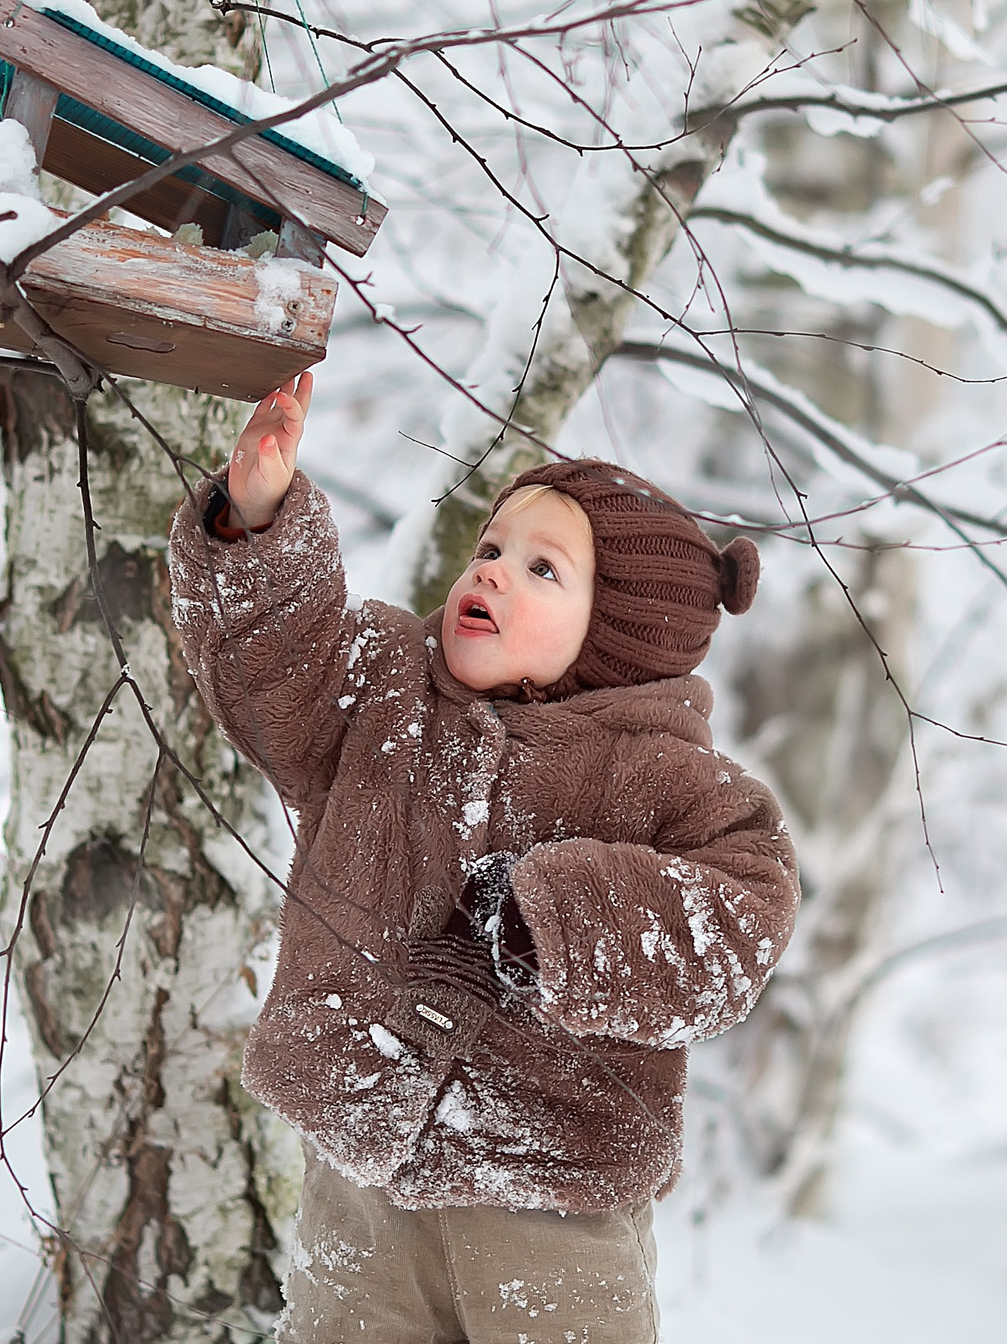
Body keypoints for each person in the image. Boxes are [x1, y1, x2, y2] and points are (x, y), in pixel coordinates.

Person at [167, 371, 799, 1343]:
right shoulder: (381, 691)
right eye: (491, 547)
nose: (492, 571)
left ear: (621, 638)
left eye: (543, 569)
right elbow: (272, 682)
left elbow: (736, 924)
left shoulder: (666, 778)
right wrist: (253, 528)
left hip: (548, 1195)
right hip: (360, 1176)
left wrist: (550, 918)